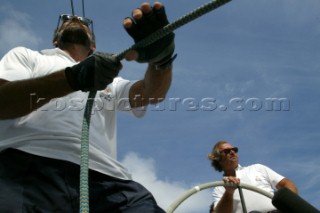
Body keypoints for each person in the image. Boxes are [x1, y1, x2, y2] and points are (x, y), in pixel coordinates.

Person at [0, 2, 175, 212]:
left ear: (93, 45)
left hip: (109, 181)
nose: (74, 20)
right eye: (66, 20)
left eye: (84, 22)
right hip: (25, 167)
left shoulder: (109, 81)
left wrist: (162, 60)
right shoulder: (28, 56)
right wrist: (73, 78)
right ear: (55, 39)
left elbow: (151, 94)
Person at [208, 140, 298, 213]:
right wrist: (228, 193)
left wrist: (286, 207)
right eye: (227, 151)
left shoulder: (257, 168)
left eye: (234, 150)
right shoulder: (219, 188)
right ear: (218, 159)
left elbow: (287, 184)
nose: (232, 152)